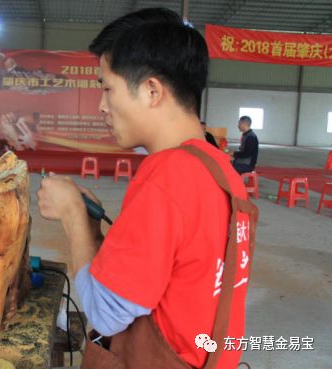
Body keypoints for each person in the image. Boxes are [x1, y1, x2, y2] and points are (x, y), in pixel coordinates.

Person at [37, 8, 254, 369]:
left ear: (152, 90)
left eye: (107, 88)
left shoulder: (166, 176)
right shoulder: (217, 167)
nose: (102, 106)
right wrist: (93, 232)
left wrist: (72, 215)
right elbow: (165, 273)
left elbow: (106, 315)